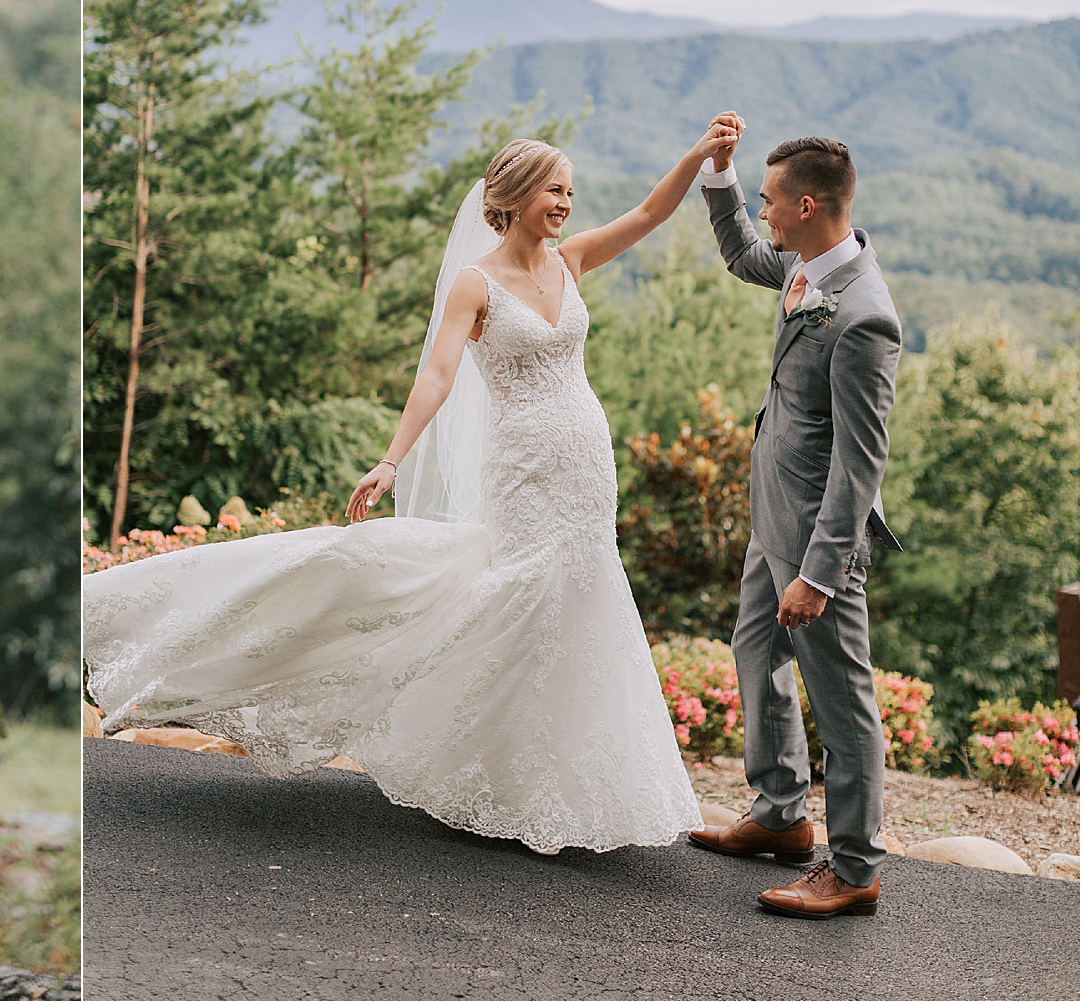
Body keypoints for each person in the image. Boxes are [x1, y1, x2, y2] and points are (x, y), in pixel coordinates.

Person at [84, 125, 740, 855]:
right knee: (522, 596)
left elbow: (650, 215)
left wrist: (701, 158)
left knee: (580, 599)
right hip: (522, 466)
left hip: (586, 461)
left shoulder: (572, 261)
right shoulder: (476, 283)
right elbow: (438, 376)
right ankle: (476, 760)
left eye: (570, 191)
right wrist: (392, 460)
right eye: (556, 189)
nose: (567, 202)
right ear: (517, 196)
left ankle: (568, 785)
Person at [686, 119, 901, 920]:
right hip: (771, 514)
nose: (767, 213)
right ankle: (781, 814)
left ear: (809, 205)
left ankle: (853, 869)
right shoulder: (806, 266)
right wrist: (724, 175)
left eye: (773, 200)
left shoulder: (863, 316)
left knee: (843, 700)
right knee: (756, 655)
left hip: (818, 540)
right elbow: (746, 252)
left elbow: (859, 463)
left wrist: (819, 572)